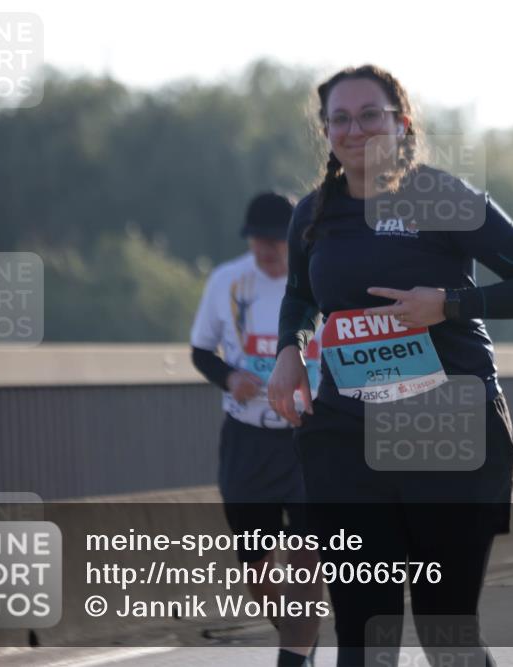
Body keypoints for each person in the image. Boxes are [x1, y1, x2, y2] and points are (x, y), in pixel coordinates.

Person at [267, 65, 513, 666]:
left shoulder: (443, 196)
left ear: (401, 124)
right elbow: (301, 295)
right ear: (326, 130)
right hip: (348, 434)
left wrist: (450, 305)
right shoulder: (313, 215)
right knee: (363, 632)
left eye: (370, 115)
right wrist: (289, 352)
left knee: (444, 632)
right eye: (340, 118)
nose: (356, 130)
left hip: (448, 428)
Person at [190, 192, 322, 667]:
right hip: (247, 439)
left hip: (307, 436)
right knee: (259, 571)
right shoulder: (227, 280)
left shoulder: (318, 279)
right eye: (257, 240)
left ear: (296, 238)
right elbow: (201, 352)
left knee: (308, 555)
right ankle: (300, 639)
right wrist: (230, 377)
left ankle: (293, 656)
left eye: (275, 240)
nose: (266, 249)